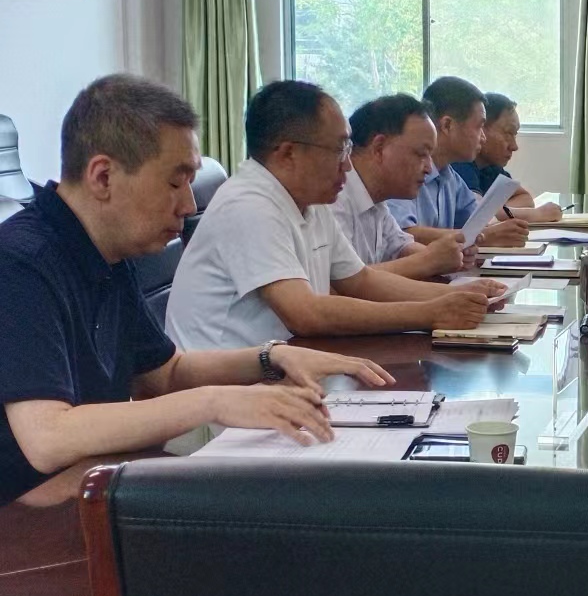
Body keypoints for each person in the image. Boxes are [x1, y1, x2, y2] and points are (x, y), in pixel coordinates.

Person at [0, 75, 395, 499]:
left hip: (95, 481)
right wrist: (214, 401)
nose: (189, 205)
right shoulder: (22, 262)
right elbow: (47, 437)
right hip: (30, 512)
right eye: (175, 182)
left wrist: (272, 356)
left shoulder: (108, 254)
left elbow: (164, 374)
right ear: (103, 177)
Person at [166, 80, 502, 351]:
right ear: (288, 153)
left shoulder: (312, 201)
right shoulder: (248, 205)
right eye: (339, 149)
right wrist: (430, 313)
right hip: (225, 392)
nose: (348, 163)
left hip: (284, 369)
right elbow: (305, 313)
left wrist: (462, 295)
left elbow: (360, 280)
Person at [334, 93, 482, 280]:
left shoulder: (377, 201)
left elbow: (402, 247)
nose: (429, 168)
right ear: (379, 148)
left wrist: (450, 256)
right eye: (421, 154)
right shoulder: (335, 199)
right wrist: (430, 260)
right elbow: (344, 283)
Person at [387, 76, 529, 247]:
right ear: (447, 125)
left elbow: (481, 222)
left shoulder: (450, 177)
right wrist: (484, 236)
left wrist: (498, 231)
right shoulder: (404, 171)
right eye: (479, 127)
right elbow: (402, 235)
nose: (483, 138)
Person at [451, 91, 561, 223]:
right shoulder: (460, 162)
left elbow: (525, 198)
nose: (514, 146)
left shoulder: (490, 167)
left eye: (515, 135)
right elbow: (476, 213)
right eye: (508, 133)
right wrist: (537, 214)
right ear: (482, 128)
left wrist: (496, 211)